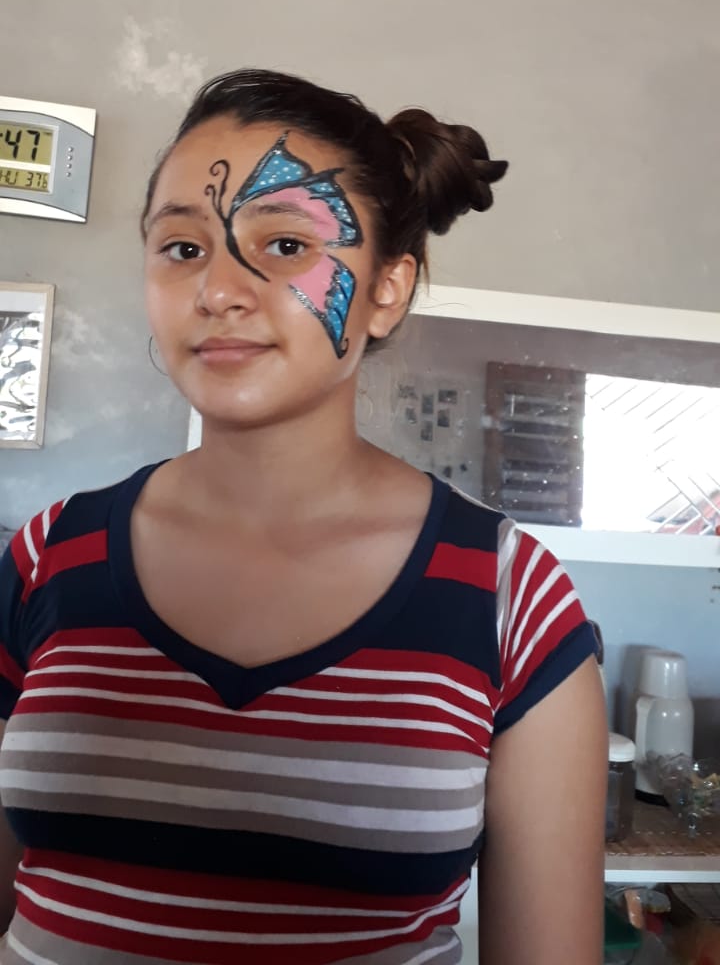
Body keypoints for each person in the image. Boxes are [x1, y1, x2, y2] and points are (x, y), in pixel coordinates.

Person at [0, 69, 607, 965]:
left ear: (387, 290)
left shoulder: (509, 597)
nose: (217, 290)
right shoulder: (48, 556)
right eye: (181, 247)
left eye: (285, 244)